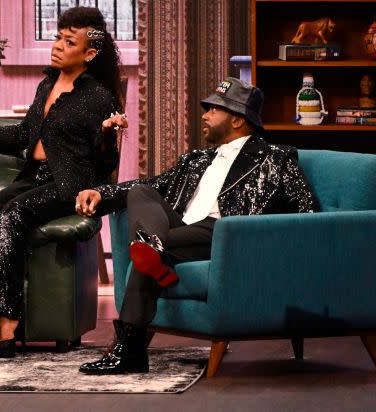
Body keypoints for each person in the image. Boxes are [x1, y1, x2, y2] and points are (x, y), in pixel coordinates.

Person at [74, 77, 320, 375]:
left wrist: (268, 244)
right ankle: (152, 247)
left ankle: (130, 350)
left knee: (144, 251)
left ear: (238, 120)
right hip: (179, 232)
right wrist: (102, 193)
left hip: (227, 235)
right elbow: (153, 185)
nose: (204, 115)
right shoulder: (195, 159)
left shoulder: (276, 159)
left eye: (214, 109)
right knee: (142, 194)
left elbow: (308, 212)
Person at [0, 7, 126, 358]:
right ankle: (7, 322)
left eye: (69, 42)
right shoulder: (47, 84)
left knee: (13, 214)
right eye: (58, 37)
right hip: (34, 178)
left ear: (89, 53)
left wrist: (104, 136)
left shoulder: (98, 96)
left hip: (69, 182)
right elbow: (22, 135)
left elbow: (105, 166)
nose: (57, 45)